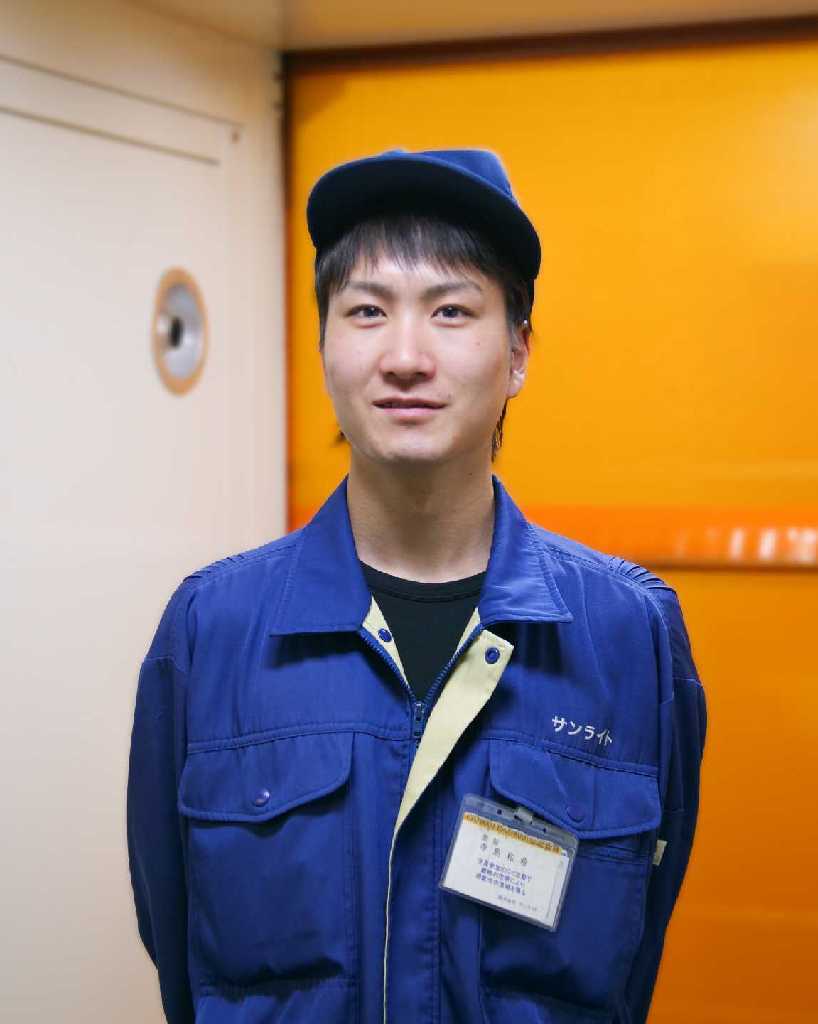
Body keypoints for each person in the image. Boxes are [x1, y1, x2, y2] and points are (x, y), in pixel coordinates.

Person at [127, 148, 707, 1024]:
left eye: (451, 311)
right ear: (323, 345)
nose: (405, 356)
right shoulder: (213, 630)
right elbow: (180, 953)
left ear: (517, 353)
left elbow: (632, 960)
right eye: (366, 310)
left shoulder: (627, 633)